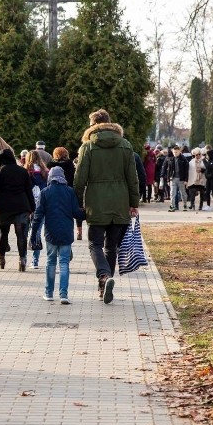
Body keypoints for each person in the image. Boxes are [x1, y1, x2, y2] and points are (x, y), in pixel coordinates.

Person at [73, 109, 139, 305]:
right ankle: (105, 285)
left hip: (96, 202)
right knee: (111, 246)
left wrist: (77, 203)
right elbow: (133, 179)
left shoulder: (88, 147)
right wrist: (134, 203)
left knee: (94, 243)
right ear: (110, 123)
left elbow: (79, 179)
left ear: (92, 125)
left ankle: (103, 277)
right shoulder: (125, 145)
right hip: (120, 202)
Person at [31, 166, 85, 304]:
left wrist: (33, 233)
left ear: (50, 177)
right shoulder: (70, 192)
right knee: (64, 263)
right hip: (66, 232)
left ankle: (49, 293)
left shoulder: (45, 192)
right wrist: (88, 213)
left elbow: (38, 215)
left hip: (51, 232)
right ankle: (64, 294)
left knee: (51, 262)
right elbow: (76, 212)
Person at [0, 148, 35, 271]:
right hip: (22, 205)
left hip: (4, 207)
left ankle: (2, 258)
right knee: (20, 234)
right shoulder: (23, 171)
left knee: (3, 233)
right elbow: (29, 191)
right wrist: (32, 207)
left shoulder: (0, 172)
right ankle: (22, 259)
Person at [47, 146, 81, 240]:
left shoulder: (50, 166)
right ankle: (78, 231)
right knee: (70, 214)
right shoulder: (70, 166)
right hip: (68, 192)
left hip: (54, 193)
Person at [24, 150, 48, 269]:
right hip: (41, 205)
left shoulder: (26, 172)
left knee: (24, 232)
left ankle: (23, 258)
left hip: (28, 205)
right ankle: (35, 261)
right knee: (37, 231)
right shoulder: (45, 172)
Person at [164, 145, 189, 212]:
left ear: (179, 152)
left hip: (181, 179)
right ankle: (172, 206)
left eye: (176, 152)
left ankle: (185, 204)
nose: (175, 153)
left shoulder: (183, 159)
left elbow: (186, 170)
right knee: (172, 193)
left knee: (183, 193)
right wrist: (168, 179)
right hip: (173, 178)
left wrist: (186, 179)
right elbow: (169, 170)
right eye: (174, 152)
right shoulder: (171, 159)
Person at [186, 148, 207, 212]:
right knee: (192, 193)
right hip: (193, 180)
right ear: (194, 155)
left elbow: (207, 169)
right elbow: (189, 171)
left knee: (202, 194)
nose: (198, 156)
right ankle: (192, 204)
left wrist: (202, 170)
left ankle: (201, 205)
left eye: (199, 154)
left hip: (202, 180)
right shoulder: (191, 162)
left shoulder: (204, 161)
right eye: (196, 155)